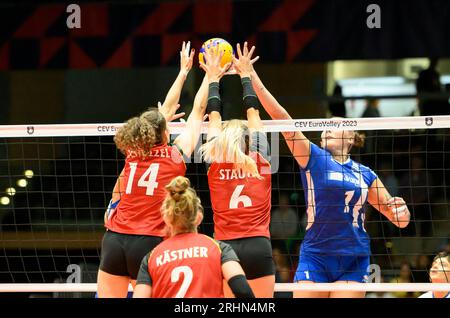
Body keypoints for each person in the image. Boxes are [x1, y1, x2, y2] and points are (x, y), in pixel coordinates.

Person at [241, 42, 411, 298]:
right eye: (325, 126)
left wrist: (403, 211)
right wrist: (251, 76)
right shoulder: (314, 157)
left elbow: (398, 219)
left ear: (352, 136)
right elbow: (282, 119)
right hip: (316, 256)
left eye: (335, 124)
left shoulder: (365, 174)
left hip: (353, 259)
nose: (327, 127)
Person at [97, 42, 209, 298]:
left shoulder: (133, 153)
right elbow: (197, 112)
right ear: (166, 133)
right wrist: (210, 77)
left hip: (114, 240)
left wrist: (182, 73)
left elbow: (164, 113)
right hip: (147, 243)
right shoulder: (174, 156)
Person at [199, 43, 275, 298]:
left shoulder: (213, 161)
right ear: (246, 140)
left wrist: (213, 79)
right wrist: (245, 74)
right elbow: (253, 112)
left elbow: (213, 116)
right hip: (258, 246)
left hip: (225, 248)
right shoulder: (260, 161)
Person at [133, 176, 255, 298]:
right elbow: (242, 290)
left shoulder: (152, 257)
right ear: (199, 217)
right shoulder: (218, 248)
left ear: (167, 218)